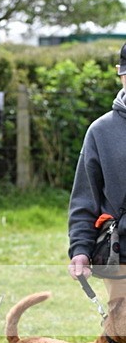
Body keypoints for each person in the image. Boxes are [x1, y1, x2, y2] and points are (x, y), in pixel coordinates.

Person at [68, 42, 126, 296]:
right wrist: (80, 249)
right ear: (119, 71)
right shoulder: (101, 131)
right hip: (121, 256)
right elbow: (85, 198)